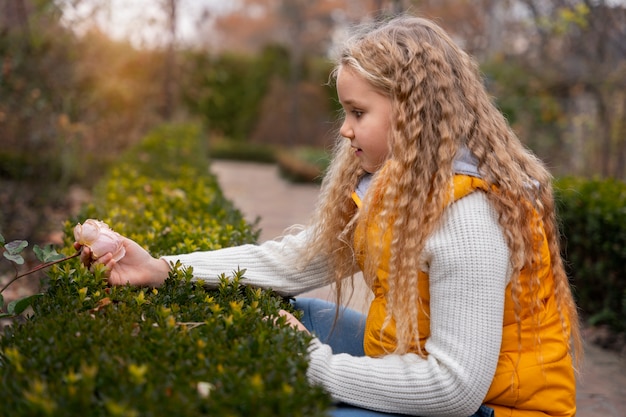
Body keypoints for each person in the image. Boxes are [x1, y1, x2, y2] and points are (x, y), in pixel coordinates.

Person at [76, 15, 582, 417]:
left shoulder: (469, 218)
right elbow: (298, 262)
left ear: (413, 112)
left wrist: (311, 364)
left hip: (497, 411)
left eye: (358, 113)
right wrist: (162, 268)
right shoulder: (400, 185)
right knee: (288, 315)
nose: (344, 129)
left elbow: (454, 390)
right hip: (411, 362)